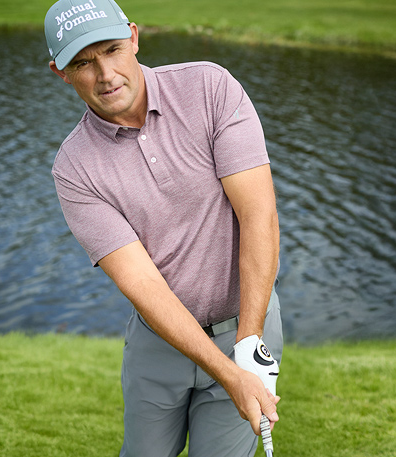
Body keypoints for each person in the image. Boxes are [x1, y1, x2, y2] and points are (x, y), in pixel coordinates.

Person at [44, 0, 283, 455]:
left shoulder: (209, 87)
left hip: (248, 326)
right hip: (159, 345)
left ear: (134, 37)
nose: (106, 74)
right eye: (83, 63)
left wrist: (249, 346)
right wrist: (229, 374)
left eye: (113, 50)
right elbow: (141, 283)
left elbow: (259, 217)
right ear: (61, 71)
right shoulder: (74, 168)